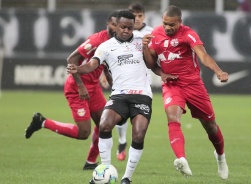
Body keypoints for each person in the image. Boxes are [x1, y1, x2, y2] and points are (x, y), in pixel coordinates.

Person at [142, 5, 229, 180]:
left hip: (193, 84)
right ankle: (181, 159)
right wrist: (145, 48)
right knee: (172, 117)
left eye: (172, 25)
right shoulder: (156, 35)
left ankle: (220, 157)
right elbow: (151, 64)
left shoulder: (188, 34)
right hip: (172, 84)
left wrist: (218, 71)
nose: (168, 27)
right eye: (165, 23)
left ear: (180, 22)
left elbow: (203, 56)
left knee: (210, 126)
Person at [24, 11, 118, 170]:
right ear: (108, 24)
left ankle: (90, 162)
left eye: (120, 25)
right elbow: (71, 60)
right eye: (114, 24)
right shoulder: (96, 41)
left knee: (105, 124)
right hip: (77, 88)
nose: (117, 28)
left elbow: (105, 64)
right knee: (83, 133)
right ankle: (42, 122)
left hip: (94, 88)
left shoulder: (115, 42)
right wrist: (81, 86)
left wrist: (112, 83)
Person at [67, 10, 153, 184]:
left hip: (141, 96)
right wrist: (79, 69)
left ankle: (127, 178)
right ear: (116, 26)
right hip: (119, 95)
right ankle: (104, 171)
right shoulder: (106, 46)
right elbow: (92, 65)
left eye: (130, 27)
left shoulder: (141, 41)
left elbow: (152, 64)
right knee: (104, 124)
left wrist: (146, 48)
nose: (127, 31)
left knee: (138, 134)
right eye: (123, 27)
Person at [114, 2, 154, 162]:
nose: (137, 19)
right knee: (119, 114)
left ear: (144, 16)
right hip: (122, 79)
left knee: (137, 117)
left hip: (142, 81)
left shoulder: (151, 32)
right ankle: (122, 140)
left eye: (140, 16)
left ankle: (133, 148)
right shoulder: (120, 33)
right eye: (134, 15)